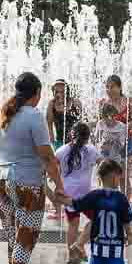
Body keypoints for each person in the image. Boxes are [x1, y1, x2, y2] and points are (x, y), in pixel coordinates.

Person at [0, 72, 66, 264]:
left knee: (13, 235)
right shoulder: (34, 116)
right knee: (27, 236)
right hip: (27, 183)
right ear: (36, 94)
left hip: (2, 179)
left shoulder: (2, 114)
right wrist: (60, 185)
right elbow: (47, 155)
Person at [60, 159, 132, 264]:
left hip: (98, 243)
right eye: (119, 176)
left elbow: (77, 204)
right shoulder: (121, 198)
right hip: (115, 244)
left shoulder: (95, 195)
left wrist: (61, 198)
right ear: (114, 176)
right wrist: (130, 234)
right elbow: (126, 220)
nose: (120, 180)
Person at [55, 122, 101, 264]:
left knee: (73, 225)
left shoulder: (61, 151)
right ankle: (80, 245)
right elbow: (103, 164)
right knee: (98, 219)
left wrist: (57, 187)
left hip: (68, 193)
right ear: (88, 137)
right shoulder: (91, 150)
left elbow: (51, 168)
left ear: (71, 134)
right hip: (85, 194)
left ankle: (72, 255)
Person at [46, 79, 82, 220]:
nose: (59, 93)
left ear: (67, 90)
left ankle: (73, 206)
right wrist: (52, 141)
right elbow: (49, 123)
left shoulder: (75, 103)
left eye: (62, 90)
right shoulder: (52, 104)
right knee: (58, 177)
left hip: (74, 144)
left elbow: (80, 123)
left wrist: (79, 142)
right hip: (59, 144)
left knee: (71, 175)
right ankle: (58, 209)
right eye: (56, 91)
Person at [99, 75, 132, 197]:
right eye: (107, 87)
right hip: (109, 145)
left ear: (120, 87)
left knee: (122, 174)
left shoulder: (129, 101)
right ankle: (109, 199)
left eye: (112, 87)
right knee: (107, 173)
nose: (109, 90)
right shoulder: (103, 103)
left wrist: (125, 127)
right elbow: (100, 123)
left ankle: (126, 200)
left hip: (125, 142)